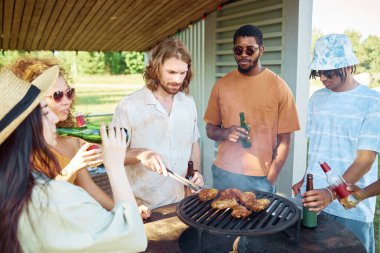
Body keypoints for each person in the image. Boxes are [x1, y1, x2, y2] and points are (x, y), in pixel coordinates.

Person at [0, 66, 147, 252]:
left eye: (69, 93)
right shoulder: (51, 197)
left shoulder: (10, 187)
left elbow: (89, 188)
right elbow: (133, 240)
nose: (54, 117)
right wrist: (115, 166)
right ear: (25, 126)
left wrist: (121, 210)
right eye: (45, 111)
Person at [292, 34, 380, 253]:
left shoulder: (372, 101)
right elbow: (318, 147)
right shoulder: (317, 99)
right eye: (319, 71)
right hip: (312, 198)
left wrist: (331, 193)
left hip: (350, 207)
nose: (322, 77)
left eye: (329, 71)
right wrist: (305, 178)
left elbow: (365, 160)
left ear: (349, 66)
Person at [8, 58, 114, 211]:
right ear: (32, 102)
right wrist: (73, 167)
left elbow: (89, 188)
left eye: (69, 93)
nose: (67, 101)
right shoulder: (19, 150)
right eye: (57, 95)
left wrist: (125, 210)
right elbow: (37, 200)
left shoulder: (71, 141)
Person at [203, 24, 300, 193]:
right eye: (238, 50)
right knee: (220, 219)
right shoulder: (221, 85)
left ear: (261, 50)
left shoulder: (279, 87)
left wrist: (271, 178)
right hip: (223, 172)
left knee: (258, 220)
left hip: (260, 178)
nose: (243, 55)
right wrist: (225, 133)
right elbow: (210, 130)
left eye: (250, 50)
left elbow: (285, 141)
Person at [112, 38, 204, 209]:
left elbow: (193, 142)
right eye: (171, 72)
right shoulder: (128, 107)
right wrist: (141, 154)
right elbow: (111, 156)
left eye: (182, 73)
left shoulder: (188, 103)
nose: (178, 80)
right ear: (156, 67)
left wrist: (196, 172)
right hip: (144, 206)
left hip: (183, 202)